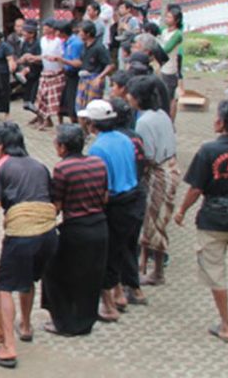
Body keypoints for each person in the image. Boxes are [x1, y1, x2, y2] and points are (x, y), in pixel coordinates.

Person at [0, 122, 57, 369]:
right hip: (48, 234)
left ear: (1, 145)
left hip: (21, 235)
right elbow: (52, 200)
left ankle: (8, 348)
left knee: (5, 288)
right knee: (28, 280)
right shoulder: (39, 165)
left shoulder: (0, 167)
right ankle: (25, 325)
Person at [174, 100, 228, 343]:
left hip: (213, 221)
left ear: (221, 123)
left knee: (215, 274)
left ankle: (227, 325)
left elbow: (196, 189)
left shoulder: (208, 151)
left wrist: (182, 211)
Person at [41, 124, 109, 336]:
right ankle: (85, 320)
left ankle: (64, 322)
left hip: (76, 229)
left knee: (55, 272)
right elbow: (105, 197)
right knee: (91, 277)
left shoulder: (63, 169)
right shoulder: (98, 163)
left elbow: (57, 205)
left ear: (62, 147)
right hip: (99, 225)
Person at [79, 99, 143, 322]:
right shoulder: (125, 139)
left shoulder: (97, 149)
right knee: (122, 248)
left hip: (115, 203)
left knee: (106, 255)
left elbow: (102, 183)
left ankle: (109, 305)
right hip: (133, 198)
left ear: (92, 124)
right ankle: (119, 293)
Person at [127, 75, 180, 286]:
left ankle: (157, 272)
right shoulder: (162, 115)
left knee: (155, 222)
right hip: (169, 166)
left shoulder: (144, 122)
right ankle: (145, 266)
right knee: (154, 221)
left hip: (159, 173)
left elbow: (147, 155)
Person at [70, 21, 114, 114]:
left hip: (94, 78)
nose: (79, 34)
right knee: (80, 108)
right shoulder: (84, 46)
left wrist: (99, 77)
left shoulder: (99, 47)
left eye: (81, 32)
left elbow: (110, 65)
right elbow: (81, 62)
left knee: (92, 108)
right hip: (83, 78)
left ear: (88, 34)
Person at [33, 19, 66, 131]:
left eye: (46, 27)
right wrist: (34, 58)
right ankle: (46, 120)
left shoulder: (59, 41)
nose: (44, 29)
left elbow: (62, 56)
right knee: (43, 97)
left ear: (52, 28)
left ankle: (60, 123)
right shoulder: (42, 40)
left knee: (57, 100)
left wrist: (57, 60)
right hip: (46, 71)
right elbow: (44, 55)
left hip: (57, 72)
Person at [158, 6, 183, 117]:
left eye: (169, 17)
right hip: (162, 67)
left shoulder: (177, 34)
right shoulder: (164, 31)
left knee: (169, 98)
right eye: (166, 17)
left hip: (170, 69)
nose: (167, 19)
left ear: (176, 20)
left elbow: (166, 49)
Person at [59, 20, 83, 124]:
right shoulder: (65, 42)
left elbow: (77, 62)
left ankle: (75, 123)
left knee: (72, 100)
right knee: (63, 101)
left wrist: (62, 61)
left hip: (75, 74)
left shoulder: (76, 44)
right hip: (66, 73)